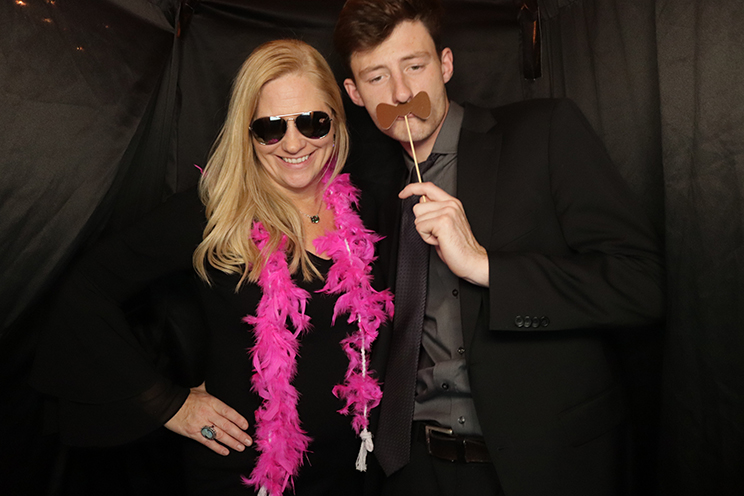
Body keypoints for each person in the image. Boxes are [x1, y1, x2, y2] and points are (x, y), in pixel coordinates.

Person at [31, 39, 392, 496]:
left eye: (312, 122)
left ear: (336, 123)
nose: (294, 143)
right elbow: (88, 287)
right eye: (270, 128)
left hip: (350, 475)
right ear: (247, 133)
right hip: (245, 479)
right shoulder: (214, 213)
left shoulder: (363, 212)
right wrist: (171, 406)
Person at [334, 1, 665, 495]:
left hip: (544, 466)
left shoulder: (544, 133)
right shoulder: (364, 196)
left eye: (415, 66)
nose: (401, 93)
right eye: (377, 78)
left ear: (445, 64)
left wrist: (485, 266)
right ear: (355, 94)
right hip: (415, 470)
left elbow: (640, 286)